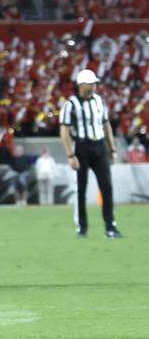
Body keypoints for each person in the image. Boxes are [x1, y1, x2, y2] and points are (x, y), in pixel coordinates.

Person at [59, 69, 121, 238]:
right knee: (81, 189)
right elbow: (64, 131)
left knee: (107, 187)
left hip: (99, 146)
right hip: (82, 147)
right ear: (82, 85)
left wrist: (112, 149)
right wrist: (70, 155)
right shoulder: (71, 104)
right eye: (91, 83)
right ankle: (82, 228)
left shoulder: (99, 101)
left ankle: (110, 227)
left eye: (95, 83)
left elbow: (106, 125)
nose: (94, 86)